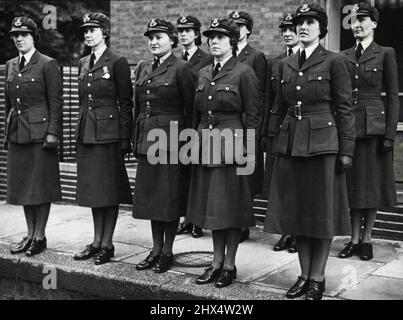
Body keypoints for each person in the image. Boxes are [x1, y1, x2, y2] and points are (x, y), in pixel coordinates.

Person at [264, 3, 355, 300]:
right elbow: (279, 108)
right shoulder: (286, 64)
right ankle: (303, 275)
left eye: (310, 22)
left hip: (323, 145)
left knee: (321, 213)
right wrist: (274, 144)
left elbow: (344, 108)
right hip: (291, 144)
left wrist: (346, 150)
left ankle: (318, 277)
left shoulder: (334, 61)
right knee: (298, 213)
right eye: (299, 23)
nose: (303, 27)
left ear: (322, 28)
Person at [186, 18, 261, 288]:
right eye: (211, 37)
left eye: (220, 37)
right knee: (213, 210)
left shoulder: (244, 72)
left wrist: (248, 152)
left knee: (230, 210)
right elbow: (197, 113)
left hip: (232, 146)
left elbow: (253, 117)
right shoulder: (204, 72)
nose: (214, 41)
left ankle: (229, 264)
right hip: (206, 146)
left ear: (232, 41)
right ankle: (215, 263)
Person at [132, 18, 196, 273]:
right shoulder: (143, 67)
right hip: (148, 140)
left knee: (168, 199)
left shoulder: (182, 68)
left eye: (159, 37)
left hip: (171, 142)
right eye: (150, 37)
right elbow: (138, 107)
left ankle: (167, 251)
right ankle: (155, 249)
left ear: (172, 39)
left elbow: (190, 109)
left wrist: (189, 145)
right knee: (150, 199)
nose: (154, 42)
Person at [338, 2, 399, 261]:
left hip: (374, 130)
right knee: (352, 187)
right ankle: (352, 238)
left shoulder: (385, 53)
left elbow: (393, 97)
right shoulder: (343, 55)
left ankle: (367, 239)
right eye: (354, 20)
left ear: (374, 23)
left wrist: (389, 134)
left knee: (371, 187)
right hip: (350, 128)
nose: (357, 24)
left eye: (363, 19)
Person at [73, 13, 133, 265]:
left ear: (105, 32)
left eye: (93, 30)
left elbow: (126, 102)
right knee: (94, 191)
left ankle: (107, 243)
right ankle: (96, 240)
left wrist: (124, 138)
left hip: (109, 135)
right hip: (88, 133)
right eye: (85, 30)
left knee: (109, 191)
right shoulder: (83, 62)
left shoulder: (117, 61)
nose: (88, 34)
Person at [5, 17, 62, 257]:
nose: (19, 38)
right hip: (18, 133)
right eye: (16, 35)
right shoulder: (10, 65)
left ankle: (40, 236)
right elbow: (9, 102)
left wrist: (52, 132)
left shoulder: (47, 64)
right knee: (23, 187)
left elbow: (56, 102)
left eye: (24, 34)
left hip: (40, 134)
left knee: (40, 187)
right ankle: (29, 234)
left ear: (34, 37)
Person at [229, 10, 268, 243]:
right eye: (232, 26)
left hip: (246, 124)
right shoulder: (224, 55)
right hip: (228, 127)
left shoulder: (255, 56)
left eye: (240, 26)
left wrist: (256, 132)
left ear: (248, 30)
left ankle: (244, 222)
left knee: (246, 176)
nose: (237, 29)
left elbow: (259, 96)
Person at [262, 13, 300, 254]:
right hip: (279, 128)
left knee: (299, 183)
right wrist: (268, 130)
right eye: (284, 29)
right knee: (282, 184)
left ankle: (298, 232)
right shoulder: (275, 62)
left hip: (301, 128)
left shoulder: (310, 59)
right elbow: (270, 99)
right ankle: (287, 231)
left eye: (291, 29)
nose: (287, 33)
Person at [175, 15, 211, 239]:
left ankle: (198, 220)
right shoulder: (177, 60)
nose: (183, 34)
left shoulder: (206, 59)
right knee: (183, 173)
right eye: (180, 31)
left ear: (197, 34)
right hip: (179, 123)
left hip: (198, 122)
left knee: (198, 174)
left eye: (188, 30)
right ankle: (186, 218)